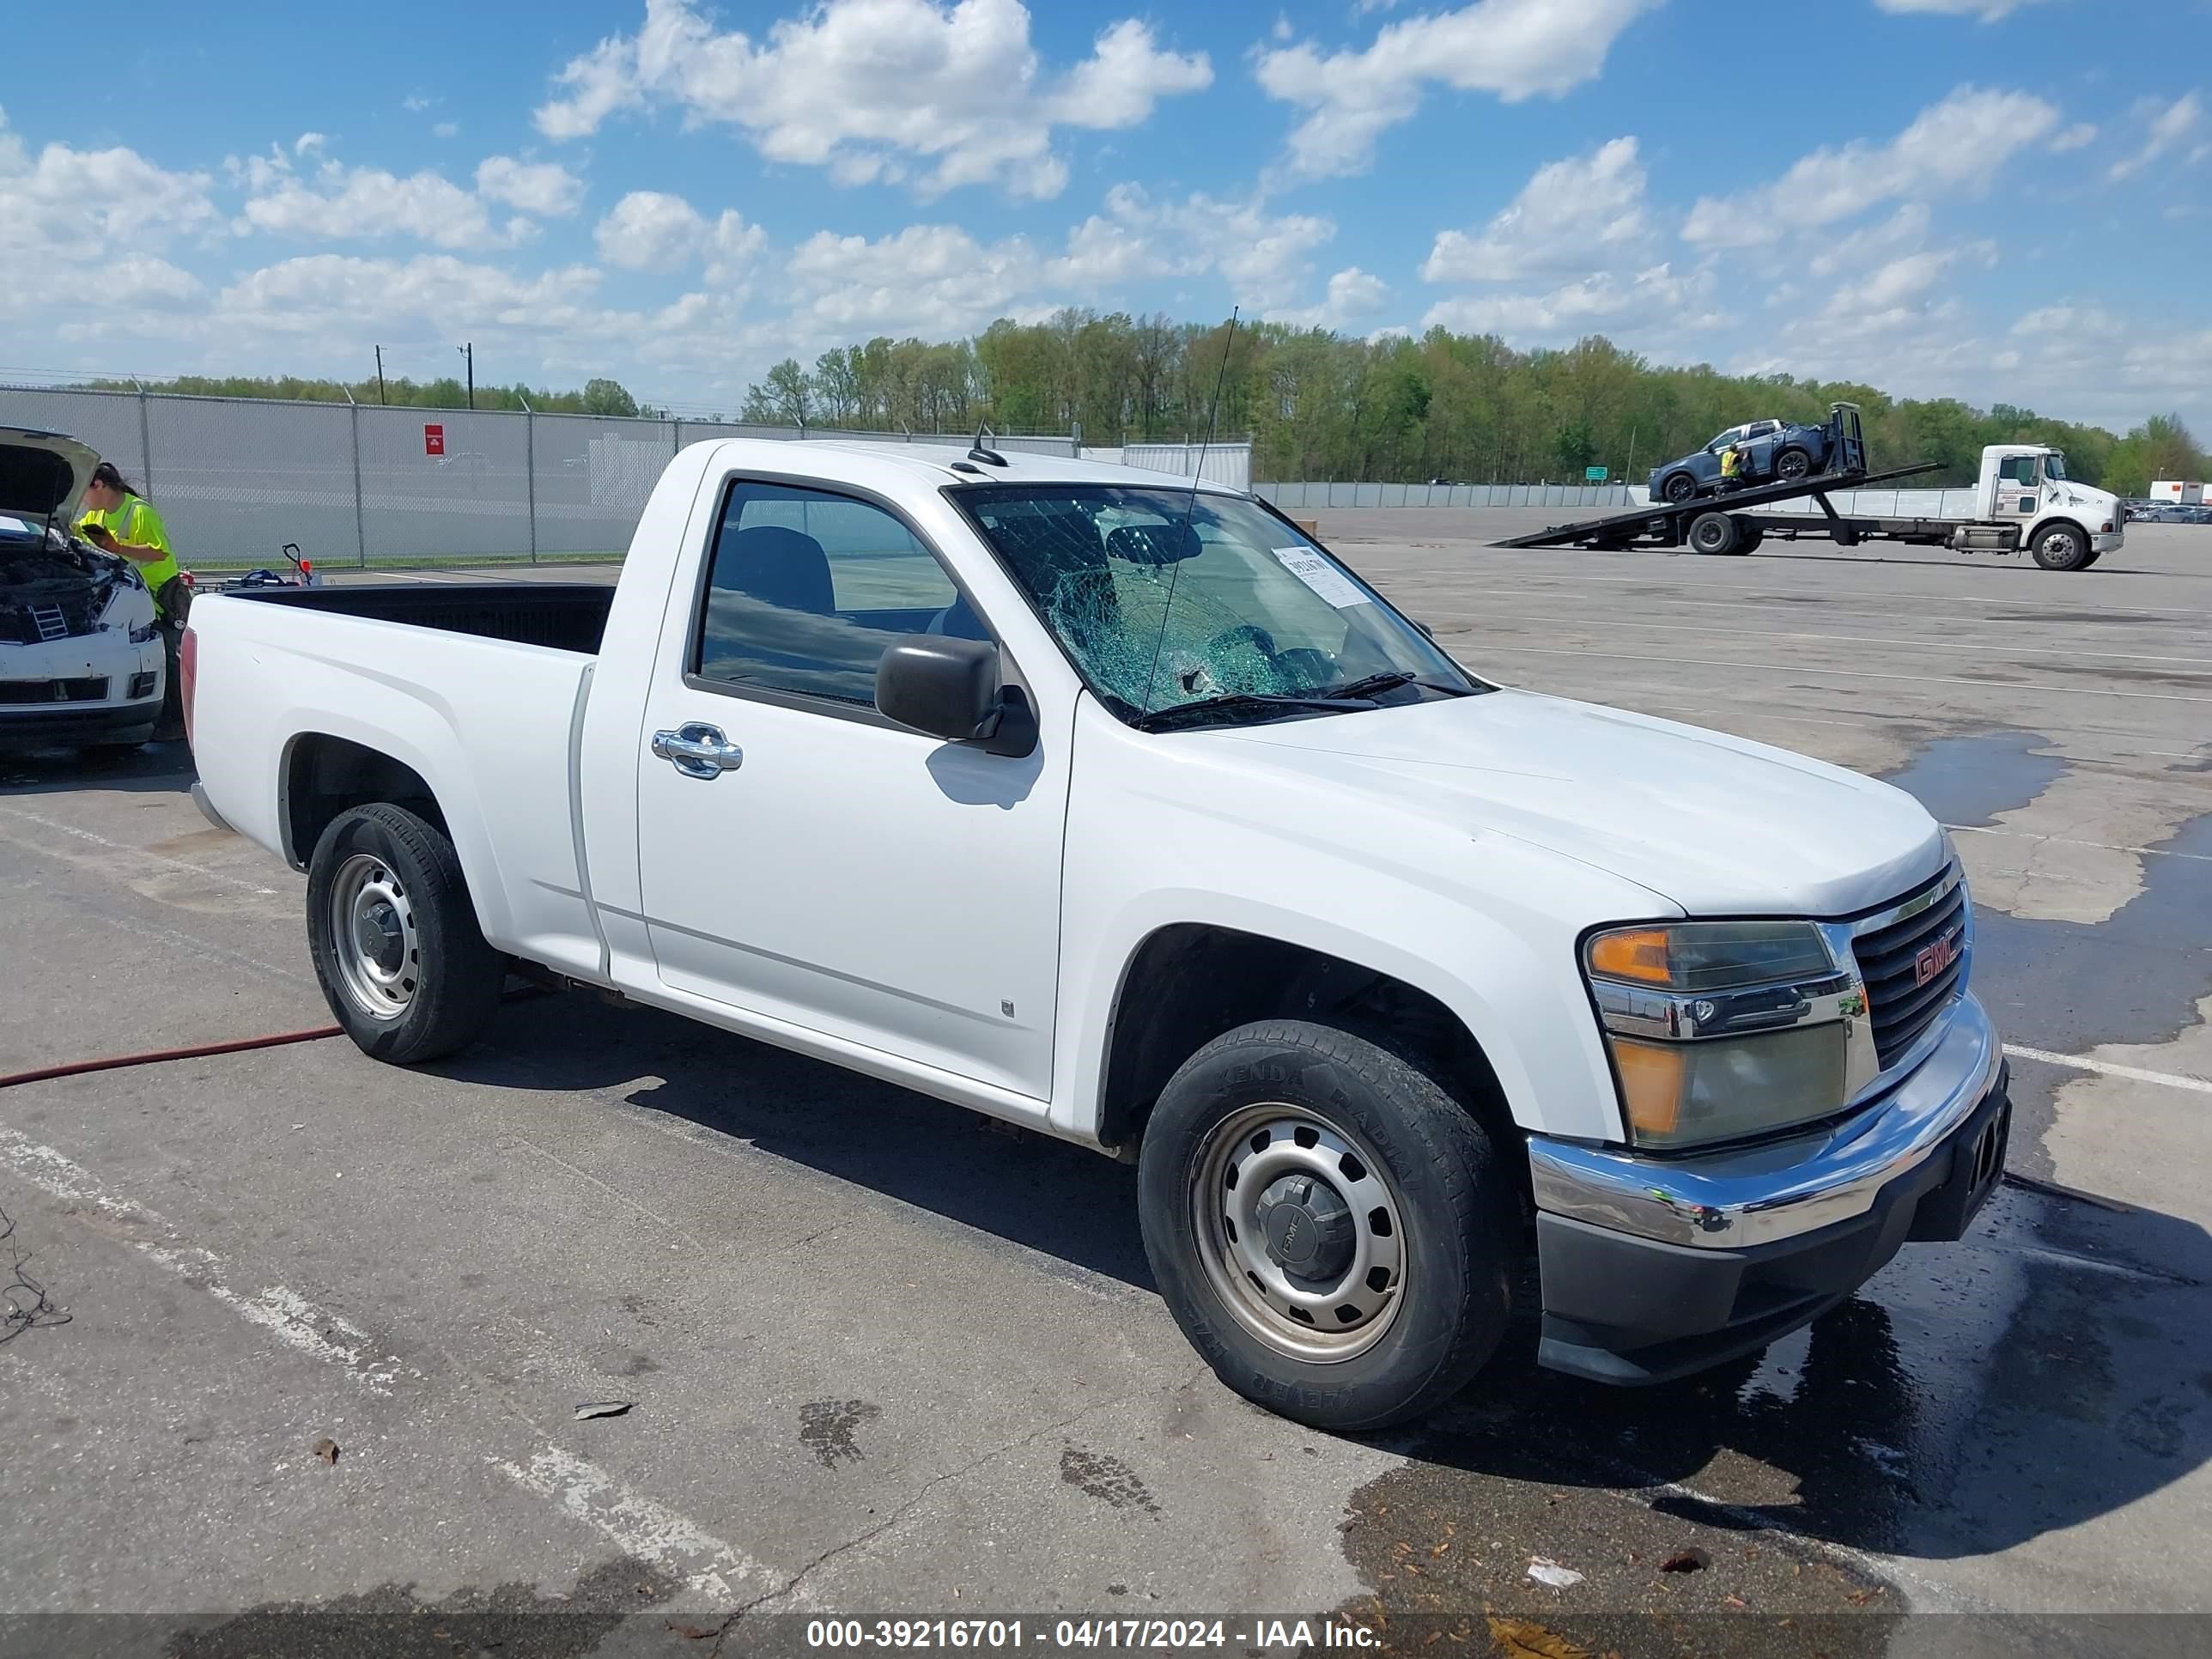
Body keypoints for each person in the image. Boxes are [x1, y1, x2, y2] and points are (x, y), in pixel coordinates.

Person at [76, 462, 187, 740]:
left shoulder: (139, 512)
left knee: (168, 660)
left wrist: (117, 548)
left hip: (159, 596)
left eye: (83, 490)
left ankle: (177, 724)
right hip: (126, 598)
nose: (82, 498)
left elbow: (159, 552)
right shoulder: (96, 516)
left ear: (99, 485)